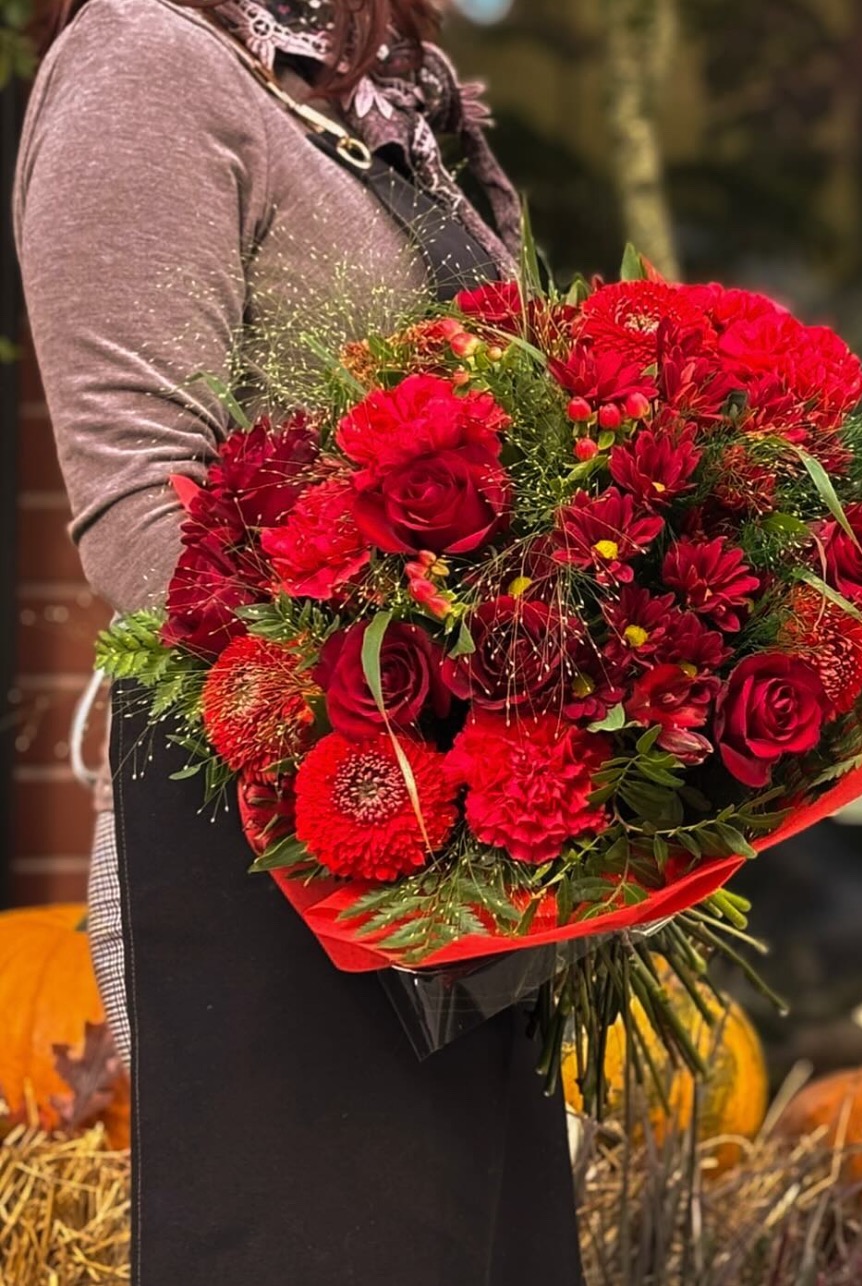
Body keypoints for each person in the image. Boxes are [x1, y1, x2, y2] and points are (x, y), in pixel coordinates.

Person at [13, 0, 584, 1281]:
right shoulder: (144, 64)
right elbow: (136, 510)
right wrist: (384, 701)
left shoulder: (385, 91)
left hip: (454, 839)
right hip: (274, 831)